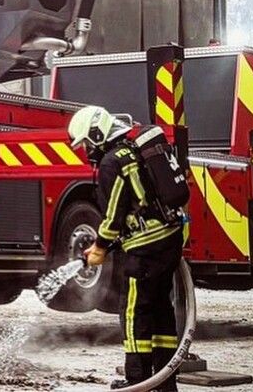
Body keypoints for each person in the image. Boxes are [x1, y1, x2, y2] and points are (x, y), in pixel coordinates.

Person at [69, 105, 184, 391]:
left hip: (145, 248)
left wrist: (99, 247)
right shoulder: (133, 150)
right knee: (160, 308)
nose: (86, 150)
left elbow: (113, 217)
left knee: (133, 312)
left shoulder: (111, 162)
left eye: (85, 143)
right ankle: (165, 380)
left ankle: (138, 379)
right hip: (167, 239)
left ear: (97, 134)